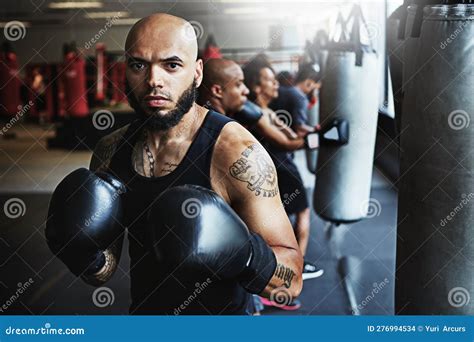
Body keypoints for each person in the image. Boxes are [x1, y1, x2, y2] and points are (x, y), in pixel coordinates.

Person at [45, 13, 303, 315]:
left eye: (171, 65)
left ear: (197, 73)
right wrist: (85, 254)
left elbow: (292, 282)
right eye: (139, 65)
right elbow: (106, 269)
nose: (154, 80)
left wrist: (242, 253)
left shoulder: (236, 152)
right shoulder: (110, 150)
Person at [242, 58, 324, 309]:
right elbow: (286, 142)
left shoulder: (265, 111)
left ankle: (282, 275)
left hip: (277, 167)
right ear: (257, 87)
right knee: (299, 214)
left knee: (278, 224)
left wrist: (315, 133)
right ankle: (290, 270)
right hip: (276, 168)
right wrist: (319, 140)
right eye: (270, 80)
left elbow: (290, 134)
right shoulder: (255, 112)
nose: (277, 84)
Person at [271, 64, 321, 137]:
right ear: (308, 83)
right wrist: (315, 130)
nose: (314, 92)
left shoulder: (281, 90)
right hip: (286, 139)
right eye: (315, 89)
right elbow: (299, 127)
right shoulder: (301, 98)